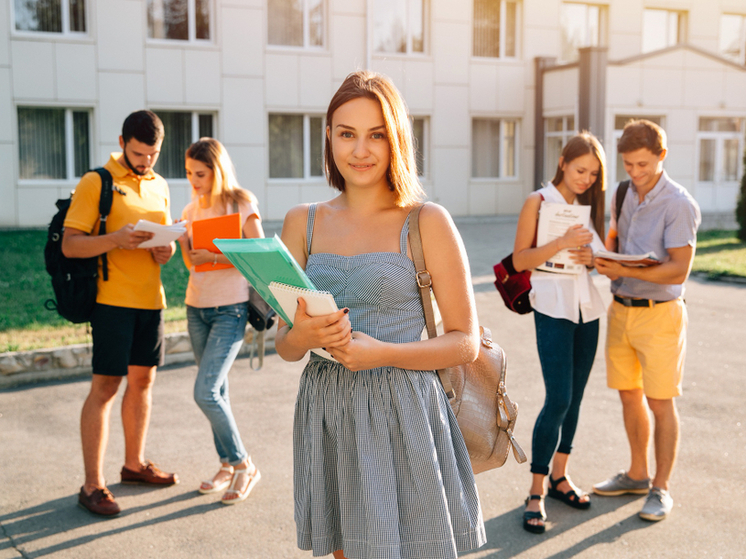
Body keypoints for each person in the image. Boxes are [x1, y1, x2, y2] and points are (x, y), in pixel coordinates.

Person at [275, 71, 486, 559]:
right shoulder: (301, 222)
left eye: (377, 135)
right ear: (329, 137)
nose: (360, 150)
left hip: (405, 407)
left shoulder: (426, 221)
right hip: (328, 408)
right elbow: (285, 347)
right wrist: (303, 336)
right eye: (347, 133)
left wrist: (382, 353)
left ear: (397, 141)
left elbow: (465, 341)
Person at [62, 110, 178, 517]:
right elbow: (71, 245)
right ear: (122, 142)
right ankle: (92, 485)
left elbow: (165, 239)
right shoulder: (98, 182)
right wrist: (115, 239)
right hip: (111, 302)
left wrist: (168, 249)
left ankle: (134, 464)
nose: (146, 162)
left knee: (142, 383)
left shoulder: (160, 184)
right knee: (106, 387)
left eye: (153, 154)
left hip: (152, 300)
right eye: (138, 153)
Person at [593, 119, 701, 522]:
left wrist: (628, 271)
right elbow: (616, 240)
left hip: (661, 316)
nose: (635, 173)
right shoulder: (623, 192)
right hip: (621, 309)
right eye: (628, 165)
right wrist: (606, 258)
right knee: (628, 395)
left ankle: (661, 487)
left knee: (660, 402)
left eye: (643, 164)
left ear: (662, 156)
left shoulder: (679, 203)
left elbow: (678, 271)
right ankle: (637, 474)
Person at [513, 133, 607, 534]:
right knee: (559, 398)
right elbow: (520, 259)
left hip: (588, 310)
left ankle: (560, 477)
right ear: (563, 162)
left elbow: (600, 260)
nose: (585, 179)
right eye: (580, 169)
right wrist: (562, 242)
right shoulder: (538, 201)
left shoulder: (588, 206)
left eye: (593, 174)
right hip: (552, 309)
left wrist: (591, 258)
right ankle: (535, 491)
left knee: (577, 398)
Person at [178, 138, 263, 505]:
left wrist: (213, 257)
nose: (193, 181)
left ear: (217, 170)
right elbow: (191, 264)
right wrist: (182, 242)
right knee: (219, 391)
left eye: (200, 174)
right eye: (188, 174)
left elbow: (259, 254)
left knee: (205, 391)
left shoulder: (241, 202)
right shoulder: (189, 209)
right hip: (196, 305)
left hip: (231, 307)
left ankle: (244, 465)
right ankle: (227, 464)